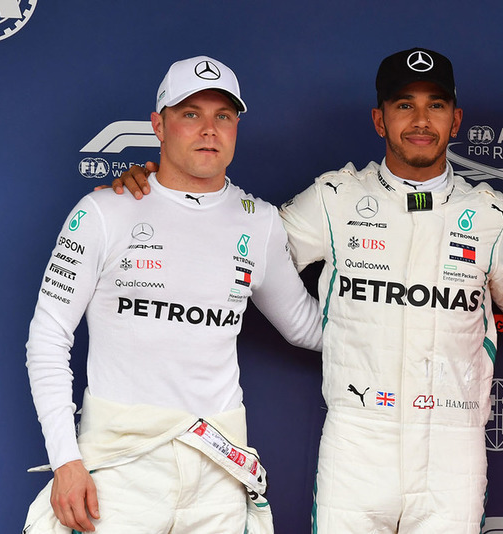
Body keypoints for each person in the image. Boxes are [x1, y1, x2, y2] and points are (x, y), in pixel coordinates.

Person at [110, 47, 503, 534]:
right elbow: (237, 247)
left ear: (455, 120)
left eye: (435, 105)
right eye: (403, 105)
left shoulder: (492, 216)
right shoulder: (336, 198)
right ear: (379, 119)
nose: (420, 120)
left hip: (453, 447)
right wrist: (160, 191)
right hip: (357, 438)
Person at [24, 55, 322, 533]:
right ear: (157, 125)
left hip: (218, 472)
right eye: (190, 114)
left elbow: (307, 326)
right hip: (120, 471)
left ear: (236, 127)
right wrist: (65, 460)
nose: (209, 130)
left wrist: (420, 322)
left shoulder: (259, 220)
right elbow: (47, 338)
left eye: (223, 116)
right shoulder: (103, 210)